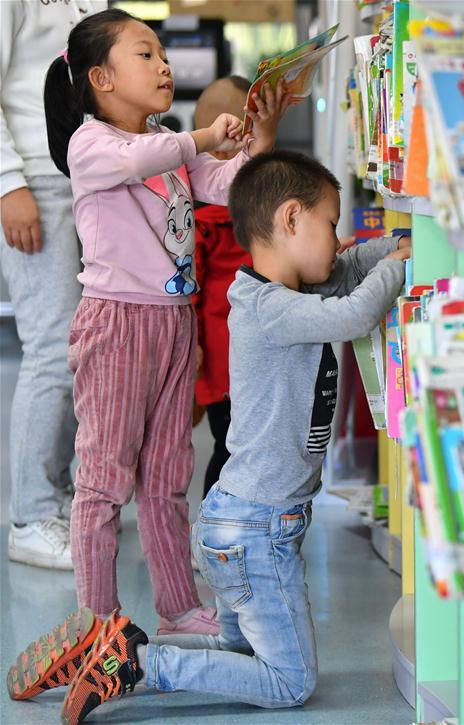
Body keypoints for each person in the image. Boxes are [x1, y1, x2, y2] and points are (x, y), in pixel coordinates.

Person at [7, 150, 412, 724]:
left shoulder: (285, 288)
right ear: (293, 220)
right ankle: (137, 665)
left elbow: (348, 267)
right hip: (255, 532)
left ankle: (108, 649)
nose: (338, 237)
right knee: (289, 680)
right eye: (330, 223)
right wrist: (397, 268)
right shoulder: (271, 307)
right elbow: (353, 314)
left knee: (237, 654)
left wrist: (394, 246)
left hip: (241, 524)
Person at [40, 9, 296, 637]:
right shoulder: (92, 145)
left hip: (173, 323)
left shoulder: (166, 143)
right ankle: (96, 624)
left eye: (162, 54)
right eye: (145, 54)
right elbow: (146, 158)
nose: (163, 65)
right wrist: (203, 136)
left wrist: (257, 139)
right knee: (103, 481)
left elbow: (230, 188)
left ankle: (178, 607)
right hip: (118, 325)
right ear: (100, 78)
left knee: (166, 475)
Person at [1, 0, 106, 570]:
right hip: (34, 178)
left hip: (87, 172)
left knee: (79, 348)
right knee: (49, 347)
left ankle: (58, 497)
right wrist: (6, 182)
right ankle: (29, 517)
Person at [190, 75, 253, 497]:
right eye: (249, 142)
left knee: (243, 447)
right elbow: (187, 288)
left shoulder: (254, 210)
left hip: (250, 353)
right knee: (229, 447)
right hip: (220, 356)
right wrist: (190, 343)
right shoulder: (202, 223)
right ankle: (212, 532)